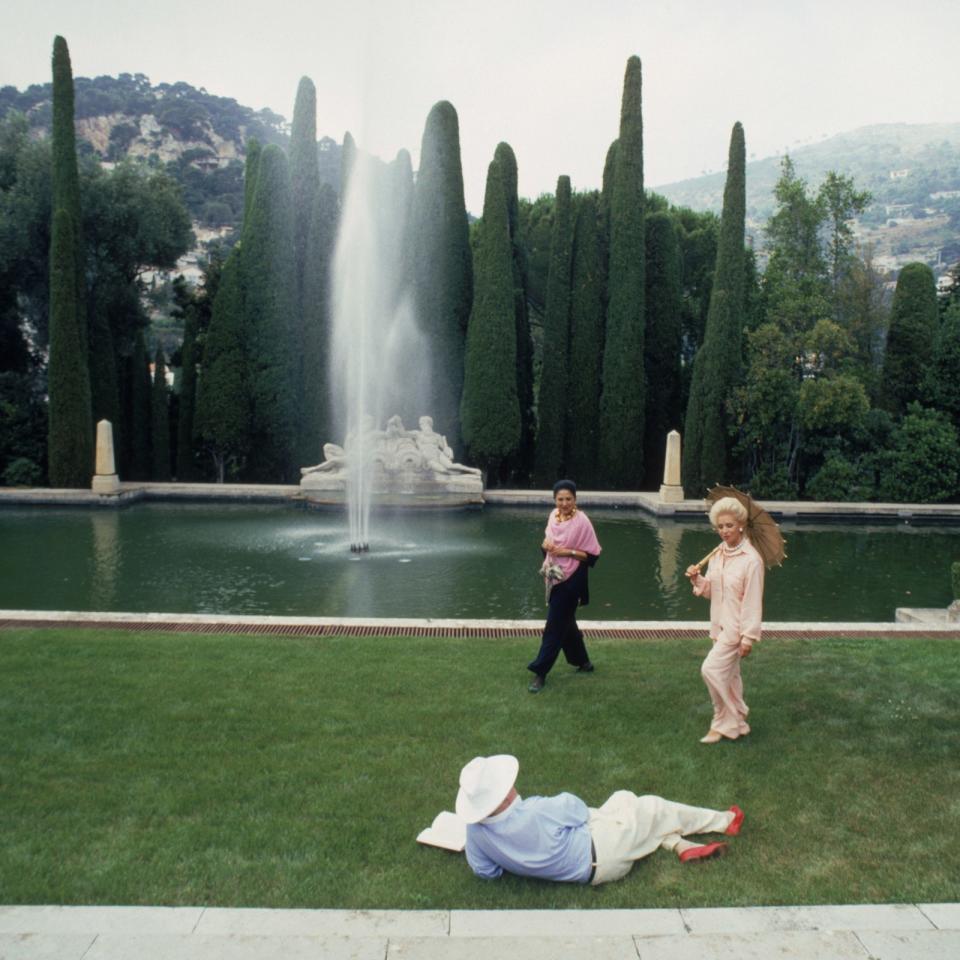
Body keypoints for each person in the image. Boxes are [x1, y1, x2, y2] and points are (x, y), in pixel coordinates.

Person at [456, 754, 744, 885]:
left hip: (585, 867)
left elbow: (485, 871)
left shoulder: (475, 833)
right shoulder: (535, 809)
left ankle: (680, 845)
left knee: (622, 797)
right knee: (651, 807)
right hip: (603, 851)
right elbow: (578, 809)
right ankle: (724, 821)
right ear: (505, 794)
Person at [684, 496, 764, 744]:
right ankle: (738, 721)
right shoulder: (718, 554)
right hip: (718, 625)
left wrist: (748, 637)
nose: (724, 531)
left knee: (711, 670)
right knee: (730, 677)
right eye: (720, 526)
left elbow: (752, 601)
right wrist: (696, 579)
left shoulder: (752, 560)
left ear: (741, 524)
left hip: (736, 629)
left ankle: (721, 723)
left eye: (729, 525)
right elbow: (710, 591)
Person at [527, 480, 601, 693]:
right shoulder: (553, 516)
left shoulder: (582, 521)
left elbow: (593, 555)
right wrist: (546, 546)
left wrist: (567, 552)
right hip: (554, 575)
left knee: (554, 626)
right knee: (566, 623)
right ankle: (584, 662)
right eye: (560, 499)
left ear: (575, 499)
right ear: (555, 500)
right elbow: (547, 544)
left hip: (573, 579)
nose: (564, 503)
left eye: (568, 499)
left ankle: (540, 672)